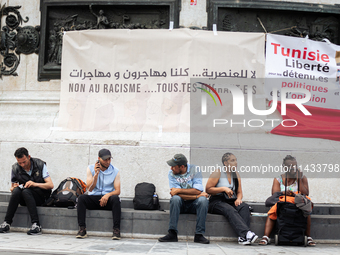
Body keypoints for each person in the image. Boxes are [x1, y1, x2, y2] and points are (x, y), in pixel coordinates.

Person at [258, 155, 316, 246]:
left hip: (297, 203)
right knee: (273, 209)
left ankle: (308, 236)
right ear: (284, 167)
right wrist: (284, 192)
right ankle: (266, 236)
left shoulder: (302, 177)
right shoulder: (278, 179)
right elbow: (275, 194)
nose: (293, 168)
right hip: (283, 203)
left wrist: (299, 180)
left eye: (295, 166)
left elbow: (306, 193)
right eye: (290, 166)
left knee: (307, 208)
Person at [206, 153, 258, 245]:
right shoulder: (218, 172)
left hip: (230, 201)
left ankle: (243, 238)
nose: (236, 163)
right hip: (216, 201)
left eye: (236, 160)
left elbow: (239, 192)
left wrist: (238, 199)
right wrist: (223, 188)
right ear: (225, 163)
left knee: (244, 207)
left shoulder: (236, 174)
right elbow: (208, 189)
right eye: (232, 160)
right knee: (230, 209)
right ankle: (246, 233)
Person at [0, 147, 54, 235]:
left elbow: (50, 185)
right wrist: (13, 188)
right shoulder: (15, 168)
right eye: (19, 162)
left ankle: (36, 224)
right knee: (17, 191)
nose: (22, 165)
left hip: (40, 197)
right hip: (26, 198)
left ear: (29, 156)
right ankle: (7, 223)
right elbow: (12, 187)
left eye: (24, 161)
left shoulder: (40, 164)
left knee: (26, 191)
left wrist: (34, 184)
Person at [158, 154, 210, 244]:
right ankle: (172, 233)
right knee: (175, 199)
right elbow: (176, 194)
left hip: (194, 205)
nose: (171, 169)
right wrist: (197, 195)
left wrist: (179, 190)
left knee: (203, 200)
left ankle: (199, 235)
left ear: (182, 166)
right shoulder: (171, 174)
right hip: (180, 205)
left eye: (174, 166)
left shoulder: (195, 170)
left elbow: (197, 190)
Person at [76, 148, 121, 240]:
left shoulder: (115, 171)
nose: (107, 162)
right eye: (105, 159)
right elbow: (89, 188)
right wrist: (96, 175)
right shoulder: (90, 169)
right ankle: (82, 229)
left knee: (116, 199)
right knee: (81, 198)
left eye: (109, 159)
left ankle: (116, 230)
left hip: (108, 199)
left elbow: (117, 191)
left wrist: (107, 195)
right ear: (98, 159)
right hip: (94, 198)